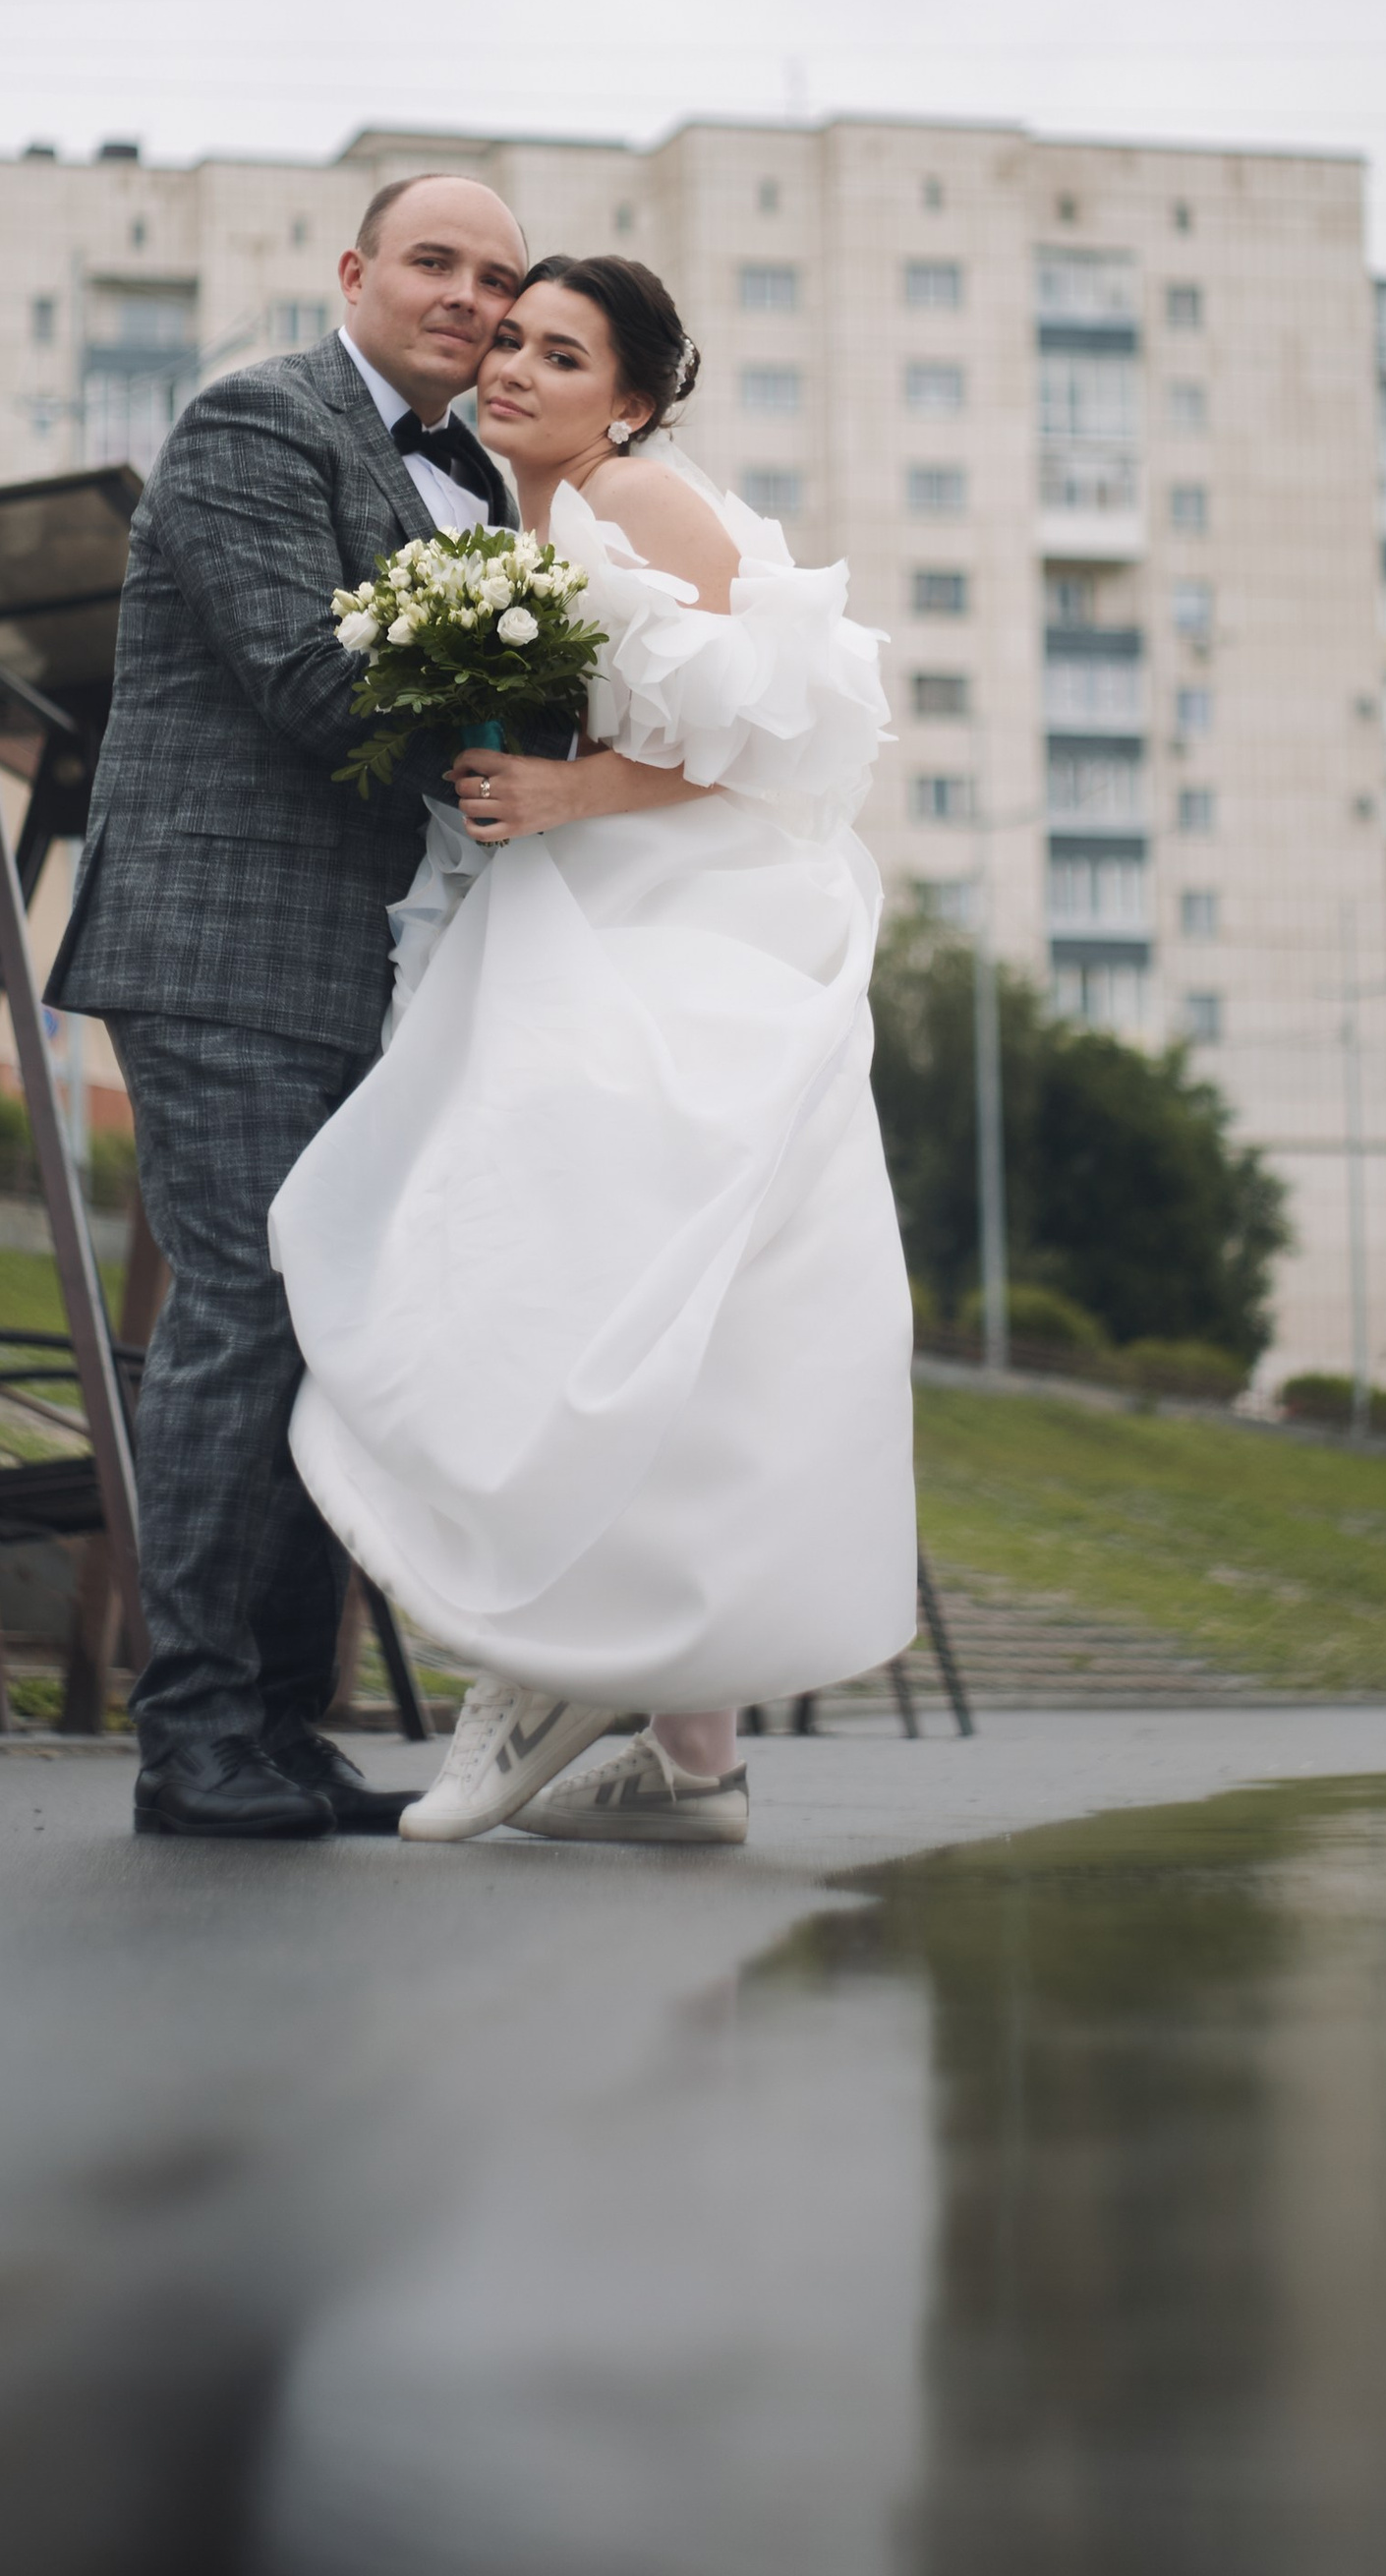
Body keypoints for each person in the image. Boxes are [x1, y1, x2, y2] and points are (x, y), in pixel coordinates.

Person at [273, 255, 918, 1848]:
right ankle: (692, 1760)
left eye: (558, 354)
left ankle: (543, 1662)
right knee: (630, 1295)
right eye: (506, 343)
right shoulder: (535, 523)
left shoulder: (641, 498)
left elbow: (772, 751)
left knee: (590, 1270)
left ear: (627, 397)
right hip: (590, 911)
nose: (512, 370)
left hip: (691, 927)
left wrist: (570, 797)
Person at [47, 172, 528, 1841]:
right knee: (250, 1306)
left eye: (499, 279)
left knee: (331, 1342)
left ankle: (277, 1722)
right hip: (219, 942)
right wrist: (544, 657)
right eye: (436, 262)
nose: (469, 296)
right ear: (356, 272)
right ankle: (189, 1733)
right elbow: (321, 687)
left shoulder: (490, 488)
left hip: (372, 972)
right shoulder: (256, 427)